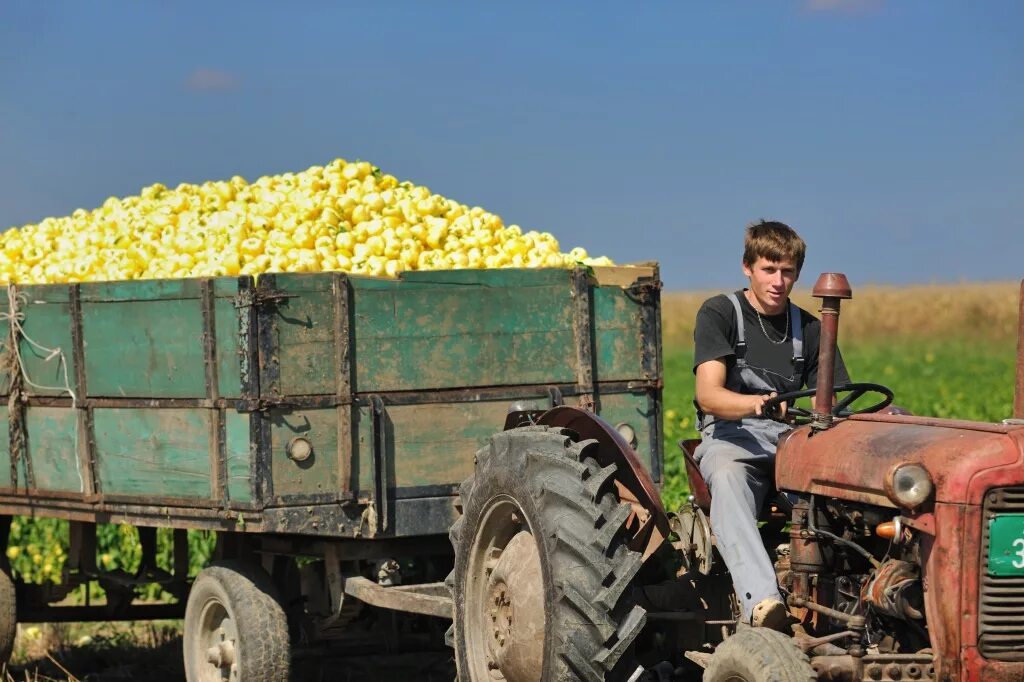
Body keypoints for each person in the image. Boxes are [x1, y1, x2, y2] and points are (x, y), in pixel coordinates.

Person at [692, 219, 849, 631]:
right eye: (769, 269)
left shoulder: (811, 327)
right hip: (733, 436)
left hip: (791, 441)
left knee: (845, 494)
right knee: (726, 477)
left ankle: (850, 605)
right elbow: (709, 394)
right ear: (748, 267)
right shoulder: (721, 312)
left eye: (788, 272)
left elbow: (832, 398)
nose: (779, 281)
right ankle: (763, 603)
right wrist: (756, 404)